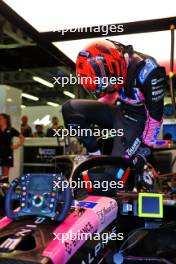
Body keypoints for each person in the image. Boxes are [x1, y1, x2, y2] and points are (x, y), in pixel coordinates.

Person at [62, 40, 166, 175]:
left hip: (138, 121)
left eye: (107, 85)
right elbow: (108, 96)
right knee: (70, 109)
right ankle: (95, 155)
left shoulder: (149, 73)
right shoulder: (113, 62)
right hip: (119, 110)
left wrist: (144, 149)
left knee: (110, 178)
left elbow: (155, 118)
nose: (107, 89)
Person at [0, 113, 24, 179]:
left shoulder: (10, 129)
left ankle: (5, 187)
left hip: (7, 152)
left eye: (0, 118)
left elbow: (22, 138)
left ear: (5, 120)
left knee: (5, 173)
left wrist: (17, 145)